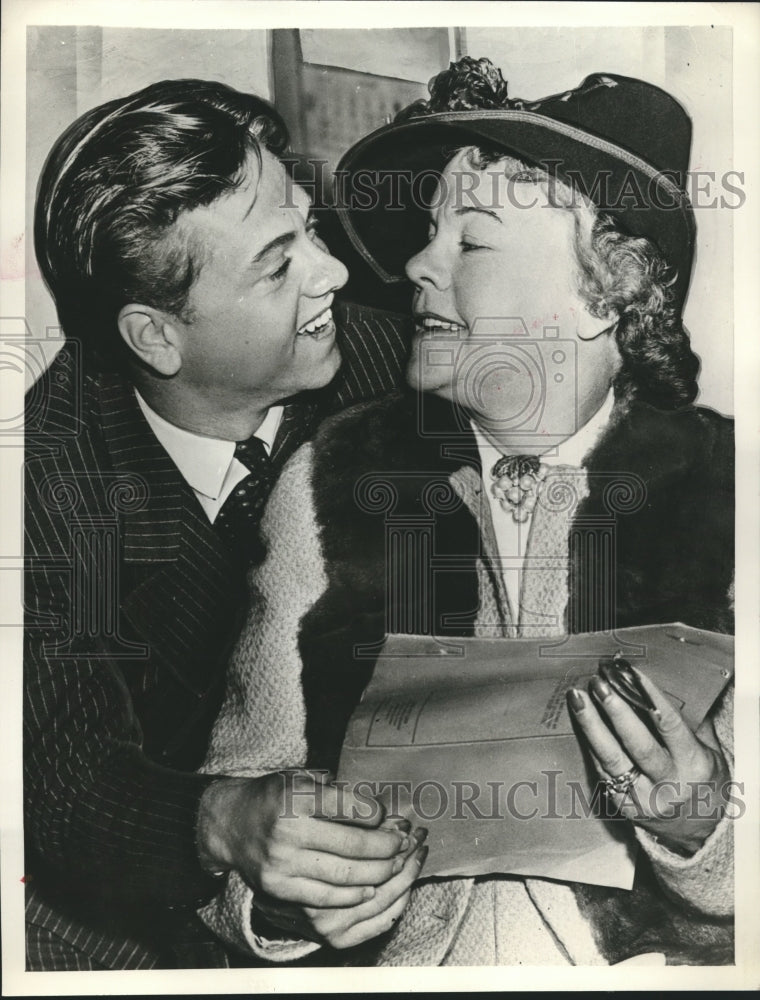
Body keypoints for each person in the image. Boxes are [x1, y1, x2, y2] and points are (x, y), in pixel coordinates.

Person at [199, 59, 734, 965]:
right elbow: (238, 816)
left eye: (473, 243)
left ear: (604, 291)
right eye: (429, 231)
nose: (416, 263)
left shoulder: (728, 493)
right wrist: (283, 888)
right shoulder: (332, 483)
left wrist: (702, 828)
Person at [24, 78, 423, 971]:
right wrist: (222, 820)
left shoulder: (400, 364)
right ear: (156, 337)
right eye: (278, 264)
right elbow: (64, 779)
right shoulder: (50, 487)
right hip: (160, 907)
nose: (336, 275)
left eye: (309, 229)